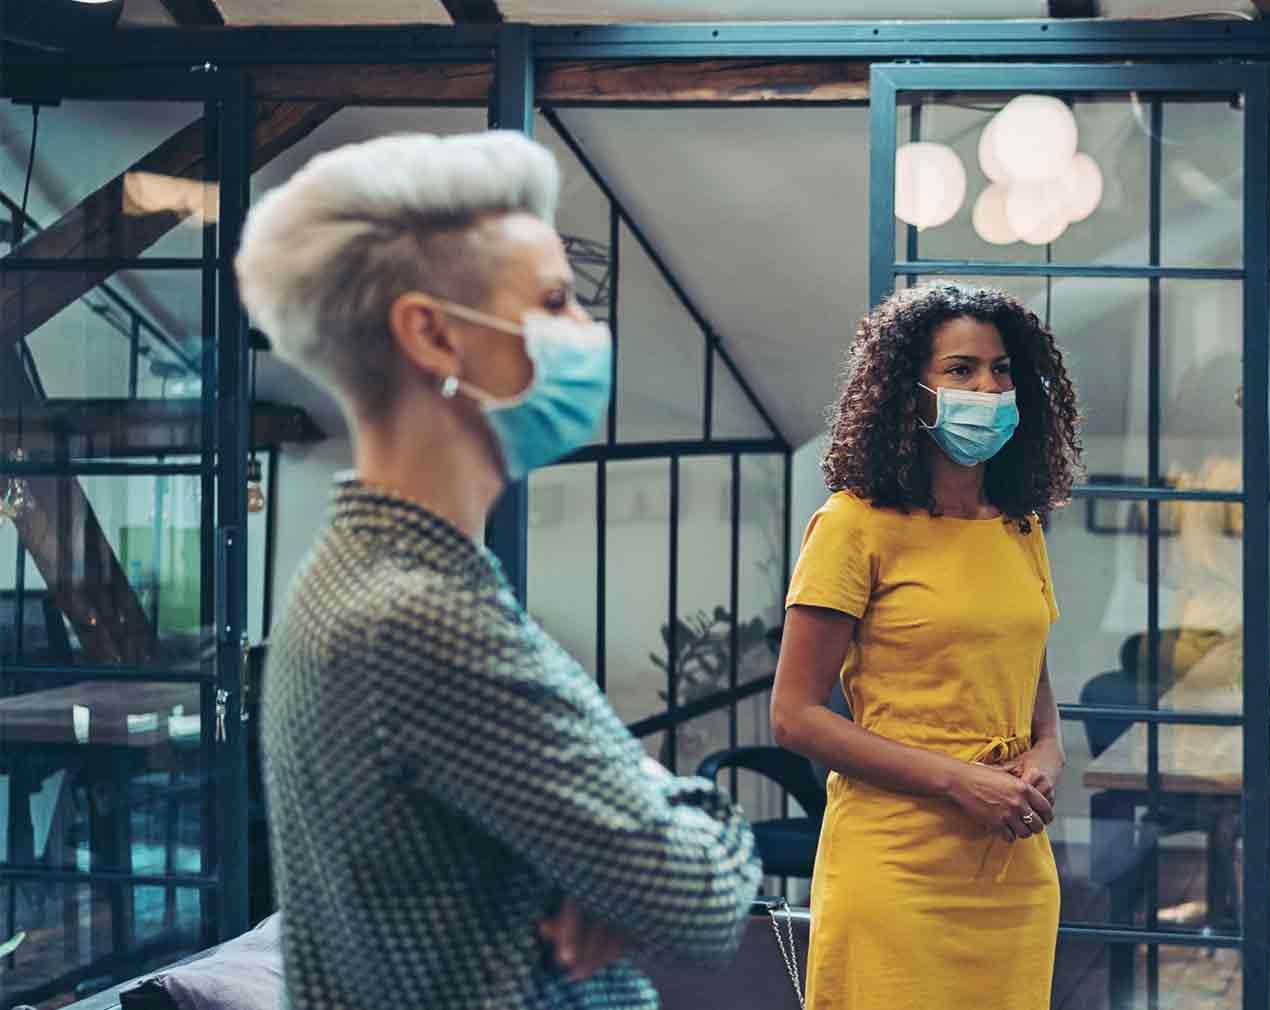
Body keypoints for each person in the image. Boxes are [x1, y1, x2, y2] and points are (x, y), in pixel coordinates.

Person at [237, 131, 761, 1010]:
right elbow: (702, 903)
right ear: (433, 335)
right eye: (557, 301)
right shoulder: (419, 618)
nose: (589, 333)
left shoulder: (360, 574)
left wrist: (618, 856)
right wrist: (670, 819)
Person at [768, 282, 1083, 1010]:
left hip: (1014, 869)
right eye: (961, 370)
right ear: (909, 394)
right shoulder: (852, 525)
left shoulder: (1019, 525)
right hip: (896, 871)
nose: (989, 387)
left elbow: (1028, 671)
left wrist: (1049, 749)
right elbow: (794, 716)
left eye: (1002, 369)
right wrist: (955, 780)